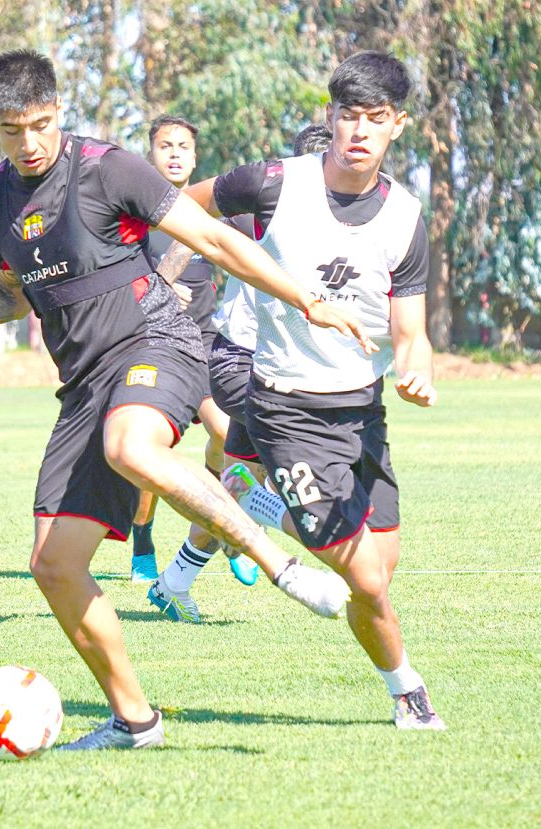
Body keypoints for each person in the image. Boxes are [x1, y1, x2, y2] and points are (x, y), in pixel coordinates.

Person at [0, 49, 374, 750]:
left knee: (130, 445)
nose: (28, 143)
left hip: (158, 342)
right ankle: (135, 721)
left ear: (57, 112)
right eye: (11, 130)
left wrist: (307, 300)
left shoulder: (107, 167)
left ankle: (281, 565)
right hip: (84, 385)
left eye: (39, 125)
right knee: (54, 565)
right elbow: (9, 294)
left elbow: (212, 237)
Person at [185, 51, 446, 730]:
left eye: (376, 118)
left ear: (398, 125)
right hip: (286, 409)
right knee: (367, 578)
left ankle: (254, 497)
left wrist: (416, 367)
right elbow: (176, 206)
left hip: (363, 415)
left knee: (378, 573)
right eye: (349, 115)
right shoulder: (273, 182)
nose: (360, 130)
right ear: (329, 117)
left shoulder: (405, 218)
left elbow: (411, 330)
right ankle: (412, 693)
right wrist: (155, 273)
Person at [149, 123, 334, 618]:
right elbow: (190, 220)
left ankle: (173, 582)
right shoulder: (264, 208)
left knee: (238, 480)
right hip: (244, 364)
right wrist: (161, 284)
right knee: (292, 480)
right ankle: (265, 518)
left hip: (285, 368)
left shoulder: (342, 221)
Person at [129, 115, 236, 587]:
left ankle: (219, 526)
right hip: (155, 344)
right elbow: (118, 279)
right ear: (151, 153)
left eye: (183, 147)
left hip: (206, 345)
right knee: (153, 453)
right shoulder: (134, 218)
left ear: (195, 157)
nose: (174, 153)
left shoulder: (210, 215)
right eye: (165, 145)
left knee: (227, 434)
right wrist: (159, 289)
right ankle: (142, 541)